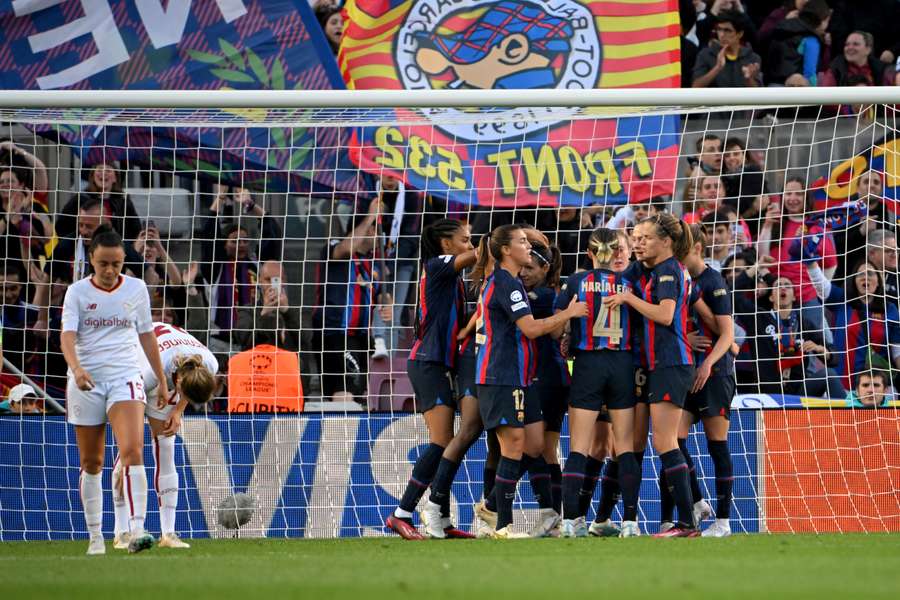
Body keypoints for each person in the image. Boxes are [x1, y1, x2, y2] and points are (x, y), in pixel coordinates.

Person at [59, 224, 169, 555]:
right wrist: (76, 369)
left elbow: (147, 335)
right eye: (104, 263)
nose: (110, 270)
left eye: (116, 264)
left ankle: (137, 531)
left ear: (124, 262)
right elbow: (67, 336)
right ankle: (95, 538)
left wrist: (162, 380)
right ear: (91, 259)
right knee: (92, 461)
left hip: (125, 376)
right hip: (86, 380)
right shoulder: (77, 292)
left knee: (133, 450)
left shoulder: (136, 289)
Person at [472, 224, 586, 538]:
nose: (528, 246)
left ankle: (500, 512)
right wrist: (569, 313)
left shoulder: (511, 282)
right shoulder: (506, 284)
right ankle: (501, 522)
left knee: (533, 445)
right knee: (513, 446)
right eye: (522, 242)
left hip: (520, 376)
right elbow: (533, 329)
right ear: (507, 250)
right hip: (501, 375)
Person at [604, 214, 700, 537]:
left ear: (666, 243)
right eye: (635, 237)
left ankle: (687, 521)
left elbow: (665, 314)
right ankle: (685, 518)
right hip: (659, 365)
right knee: (656, 441)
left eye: (644, 238)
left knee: (665, 441)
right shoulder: (650, 270)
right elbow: (617, 275)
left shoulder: (669, 270)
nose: (637, 243)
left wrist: (630, 298)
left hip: (671, 362)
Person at [385, 219, 476, 540]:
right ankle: (401, 513)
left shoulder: (455, 282)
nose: (470, 245)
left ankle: (442, 519)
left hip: (441, 364)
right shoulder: (436, 265)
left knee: (450, 443)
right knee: (441, 443)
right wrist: (504, 243)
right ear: (447, 244)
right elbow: (479, 256)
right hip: (427, 363)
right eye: (465, 240)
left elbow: (459, 328)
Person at [554, 228, 640, 538]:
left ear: (590, 253)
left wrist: (566, 329)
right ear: (617, 251)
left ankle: (571, 521)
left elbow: (555, 330)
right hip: (622, 364)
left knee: (579, 446)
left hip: (587, 364)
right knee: (625, 447)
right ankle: (630, 522)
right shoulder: (631, 284)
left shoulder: (576, 282)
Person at [112, 322, 217, 550]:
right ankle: (121, 532)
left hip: (166, 373)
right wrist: (128, 446)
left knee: (166, 447)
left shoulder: (209, 364)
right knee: (130, 454)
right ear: (178, 382)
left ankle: (168, 534)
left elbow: (190, 389)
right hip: (130, 369)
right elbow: (130, 402)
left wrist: (178, 411)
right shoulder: (148, 372)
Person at [671, 225, 736, 537]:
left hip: (714, 374)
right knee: (674, 441)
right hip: (686, 371)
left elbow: (728, 335)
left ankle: (723, 520)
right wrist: (686, 338)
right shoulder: (680, 280)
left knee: (717, 447)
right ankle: (697, 501)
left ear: (696, 247)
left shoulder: (713, 282)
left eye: (682, 249)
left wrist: (709, 363)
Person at [312, 201, 392, 402]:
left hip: (362, 337)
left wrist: (388, 303)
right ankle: (340, 433)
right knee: (343, 392)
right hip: (336, 333)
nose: (379, 234)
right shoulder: (335, 247)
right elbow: (346, 249)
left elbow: (382, 294)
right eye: (375, 228)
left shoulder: (376, 262)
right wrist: (370, 216)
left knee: (358, 393)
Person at [758, 176, 836, 342]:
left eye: (798, 194)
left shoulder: (816, 226)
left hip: (807, 298)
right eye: (788, 193)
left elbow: (831, 263)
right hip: (779, 297)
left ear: (806, 197)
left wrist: (819, 290)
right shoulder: (775, 222)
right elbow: (761, 256)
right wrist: (767, 225)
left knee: (823, 345)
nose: (792, 198)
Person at [821, 262, 900, 391]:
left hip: (876, 387)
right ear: (854, 282)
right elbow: (821, 285)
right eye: (860, 274)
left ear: (879, 281)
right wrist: (810, 264)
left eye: (870, 273)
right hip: (843, 386)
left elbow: (897, 350)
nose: (865, 277)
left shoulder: (890, 309)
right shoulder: (842, 300)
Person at [234, 260, 301, 352]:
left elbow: (305, 340)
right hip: (258, 363)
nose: (271, 285)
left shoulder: (296, 309)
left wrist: (287, 312)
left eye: (276, 279)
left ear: (284, 281)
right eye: (268, 279)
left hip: (287, 364)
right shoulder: (247, 310)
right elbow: (244, 342)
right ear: (260, 280)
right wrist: (264, 314)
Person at [765, 0, 831, 86]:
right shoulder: (811, 39)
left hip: (770, 89)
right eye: (827, 21)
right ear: (822, 20)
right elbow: (810, 74)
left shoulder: (781, 29)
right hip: (794, 92)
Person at [692, 10, 762, 89]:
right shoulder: (705, 54)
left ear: (740, 34)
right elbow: (695, 86)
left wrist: (749, 79)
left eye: (727, 30)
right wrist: (717, 68)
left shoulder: (752, 58)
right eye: (719, 29)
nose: (721, 35)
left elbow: (759, 94)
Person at [818, 31, 893, 87]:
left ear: (868, 49)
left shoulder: (881, 69)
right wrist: (851, 106)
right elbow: (827, 99)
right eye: (847, 44)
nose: (850, 48)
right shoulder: (836, 68)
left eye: (855, 44)